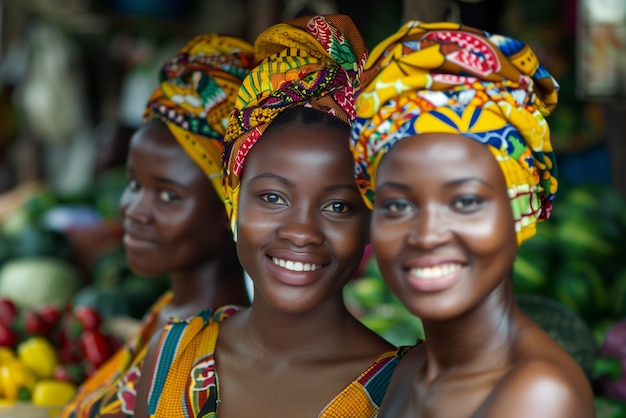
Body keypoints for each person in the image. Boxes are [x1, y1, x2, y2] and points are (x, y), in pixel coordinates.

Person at [133, 14, 404, 418]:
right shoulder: (173, 356)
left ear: (370, 220)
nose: (301, 232)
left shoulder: (400, 393)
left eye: (337, 206)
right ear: (234, 200)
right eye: (273, 197)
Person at [349, 21, 595, 418]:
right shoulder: (411, 370)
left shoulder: (540, 397)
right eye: (397, 205)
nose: (427, 235)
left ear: (521, 210)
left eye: (464, 201)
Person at [61, 34, 254, 418]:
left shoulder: (208, 357)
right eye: (134, 184)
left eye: (168, 196)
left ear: (230, 209)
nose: (134, 209)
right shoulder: (170, 310)